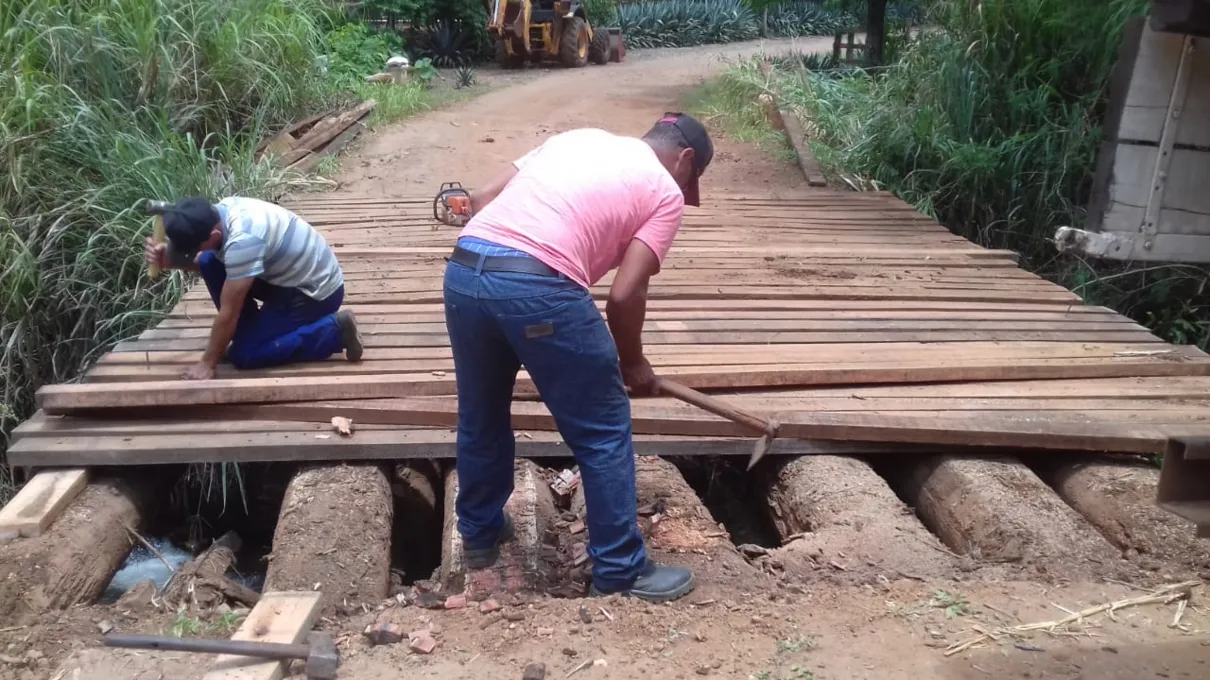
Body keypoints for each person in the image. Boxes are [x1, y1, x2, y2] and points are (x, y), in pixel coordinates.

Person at [437, 113, 713, 603]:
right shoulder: (665, 192)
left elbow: (483, 198)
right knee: (604, 429)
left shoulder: (579, 138)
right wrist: (633, 362)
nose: (683, 190)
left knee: (480, 414)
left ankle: (479, 533)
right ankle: (621, 569)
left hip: (465, 271)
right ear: (684, 158)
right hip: (537, 285)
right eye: (689, 180)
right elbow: (626, 295)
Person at [143, 195, 362, 380]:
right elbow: (210, 258)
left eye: (193, 248)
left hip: (315, 292)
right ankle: (249, 332)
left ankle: (334, 330)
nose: (190, 253)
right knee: (210, 261)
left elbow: (229, 313)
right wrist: (171, 261)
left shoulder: (244, 240)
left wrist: (208, 362)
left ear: (214, 235)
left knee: (245, 354)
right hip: (288, 277)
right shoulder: (222, 211)